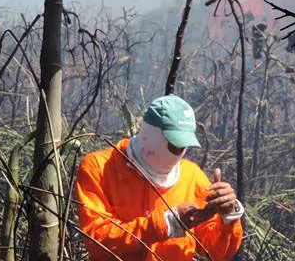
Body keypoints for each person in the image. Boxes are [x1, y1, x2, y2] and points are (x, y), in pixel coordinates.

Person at [75, 95, 244, 261]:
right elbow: (97, 242)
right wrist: (166, 224)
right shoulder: (100, 168)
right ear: (151, 135)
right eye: (175, 144)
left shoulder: (192, 176)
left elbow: (215, 252)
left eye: (183, 145)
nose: (180, 150)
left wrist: (227, 219)